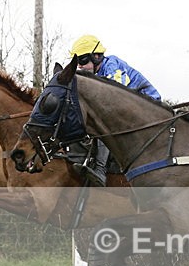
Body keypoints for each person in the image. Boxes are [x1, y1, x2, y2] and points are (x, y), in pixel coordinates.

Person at [68, 35, 162, 186]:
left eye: (83, 60)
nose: (79, 66)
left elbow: (114, 101)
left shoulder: (112, 66)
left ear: (97, 56)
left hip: (148, 107)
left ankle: (100, 170)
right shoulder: (97, 73)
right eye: (77, 62)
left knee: (105, 121)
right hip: (131, 107)